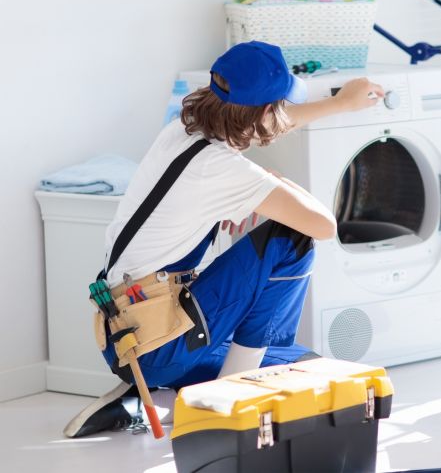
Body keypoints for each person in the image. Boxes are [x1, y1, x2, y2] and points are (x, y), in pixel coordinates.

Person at [64, 41, 384, 437]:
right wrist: (271, 187)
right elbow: (322, 226)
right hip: (162, 342)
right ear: (265, 111)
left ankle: (143, 401)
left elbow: (271, 122)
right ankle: (229, 400)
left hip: (126, 337)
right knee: (291, 240)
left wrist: (341, 104)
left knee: (303, 361)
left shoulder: (182, 131)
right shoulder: (223, 169)